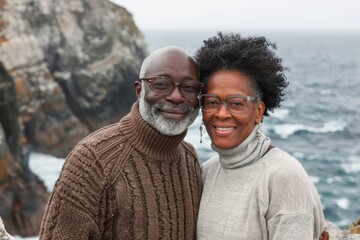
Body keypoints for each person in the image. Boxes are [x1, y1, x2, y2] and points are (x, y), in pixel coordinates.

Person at [39, 46, 203, 239]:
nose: (176, 96)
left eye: (189, 88)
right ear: (139, 90)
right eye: (161, 84)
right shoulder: (93, 160)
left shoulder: (190, 159)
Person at [194, 32, 325, 239]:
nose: (221, 113)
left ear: (258, 111)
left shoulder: (283, 176)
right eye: (212, 102)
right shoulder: (208, 171)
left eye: (236, 103)